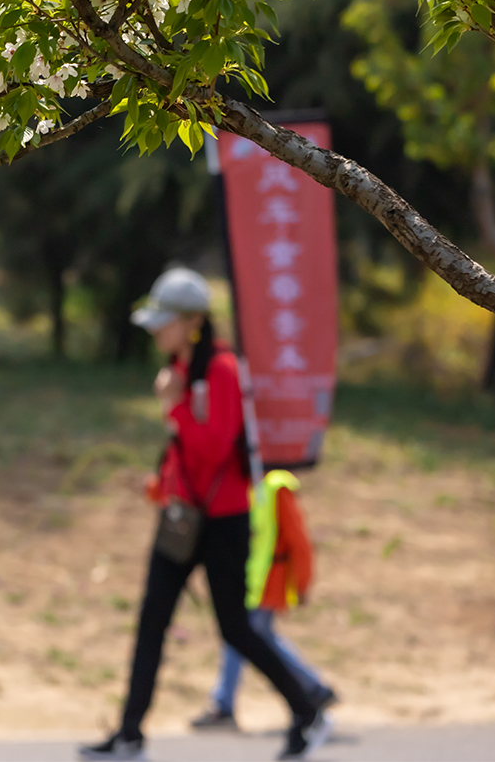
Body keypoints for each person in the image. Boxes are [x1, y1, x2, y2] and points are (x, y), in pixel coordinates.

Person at [78, 267, 333, 762]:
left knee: (236, 628)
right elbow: (187, 456)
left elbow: (216, 449)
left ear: (193, 321)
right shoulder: (181, 369)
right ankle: (130, 734)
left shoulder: (220, 370)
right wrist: (160, 486)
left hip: (223, 522)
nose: (156, 330)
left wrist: (173, 409)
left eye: (164, 321)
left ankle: (307, 711)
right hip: (183, 517)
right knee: (152, 620)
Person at [191, 469, 337, 731]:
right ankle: (314, 688)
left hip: (267, 583)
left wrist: (302, 582)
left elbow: (299, 540)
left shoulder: (275, 488)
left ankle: (225, 705)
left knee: (241, 637)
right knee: (258, 637)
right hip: (245, 581)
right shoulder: (236, 483)